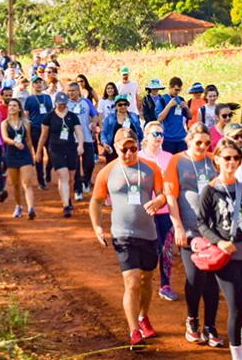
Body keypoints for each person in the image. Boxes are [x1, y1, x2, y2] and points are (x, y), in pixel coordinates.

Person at [90, 128, 167, 350]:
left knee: (146, 280)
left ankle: (144, 317)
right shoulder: (107, 172)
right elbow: (95, 201)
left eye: (133, 148)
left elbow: (162, 194)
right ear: (116, 148)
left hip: (148, 233)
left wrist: (158, 202)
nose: (130, 153)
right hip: (122, 234)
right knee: (132, 281)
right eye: (125, 149)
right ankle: (134, 330)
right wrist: (97, 226)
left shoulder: (151, 168)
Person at [197, 138, 242, 360]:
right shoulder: (210, 191)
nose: (232, 162)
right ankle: (237, 356)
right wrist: (219, 241)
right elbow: (202, 224)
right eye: (227, 158)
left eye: (236, 158)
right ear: (217, 160)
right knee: (236, 307)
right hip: (226, 256)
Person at [164, 123, 223, 347]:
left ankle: (210, 325)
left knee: (212, 279)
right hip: (189, 228)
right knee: (195, 276)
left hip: (213, 230)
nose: (203, 146)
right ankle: (192, 319)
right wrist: (177, 226)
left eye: (207, 143)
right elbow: (170, 196)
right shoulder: (177, 160)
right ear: (189, 141)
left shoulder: (213, 160)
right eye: (198, 142)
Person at [139, 121, 179, 302]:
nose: (159, 137)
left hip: (165, 209)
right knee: (149, 249)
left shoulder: (169, 157)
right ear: (146, 136)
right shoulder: (137, 157)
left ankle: (165, 284)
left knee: (166, 248)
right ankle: (141, 281)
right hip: (144, 211)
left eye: (161, 134)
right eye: (155, 134)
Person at [37, 91, 83, 218]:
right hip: (55, 149)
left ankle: (68, 198)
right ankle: (66, 206)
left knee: (71, 178)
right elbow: (44, 135)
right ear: (55, 103)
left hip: (70, 148)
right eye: (59, 103)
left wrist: (80, 145)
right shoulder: (49, 117)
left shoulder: (72, 116)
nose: (62, 106)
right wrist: (39, 151)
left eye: (64, 103)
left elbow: (79, 131)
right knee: (63, 176)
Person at [1, 98, 37, 220]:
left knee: (27, 182)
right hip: (11, 154)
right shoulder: (4, 123)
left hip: (24, 154)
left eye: (14, 105)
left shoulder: (26, 123)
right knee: (16, 184)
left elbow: (28, 139)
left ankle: (31, 208)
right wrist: (14, 143)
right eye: (10, 105)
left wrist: (31, 154)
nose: (12, 107)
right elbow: (5, 138)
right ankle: (18, 206)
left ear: (19, 108)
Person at [67, 81, 98, 200]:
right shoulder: (66, 104)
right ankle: (77, 189)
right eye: (69, 91)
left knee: (89, 163)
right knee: (75, 165)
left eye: (73, 91)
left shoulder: (86, 102)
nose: (71, 93)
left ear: (78, 91)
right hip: (72, 140)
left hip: (87, 138)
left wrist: (94, 123)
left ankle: (86, 180)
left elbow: (94, 114)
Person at [24, 76, 54, 190]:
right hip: (36, 129)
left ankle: (48, 170)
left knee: (52, 153)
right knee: (38, 154)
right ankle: (41, 181)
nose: (38, 84)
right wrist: (28, 133)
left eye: (40, 82)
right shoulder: (30, 99)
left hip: (48, 129)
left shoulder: (47, 97)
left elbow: (51, 112)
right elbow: (26, 116)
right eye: (36, 83)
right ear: (33, 85)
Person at [100, 94, 143, 164]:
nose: (123, 106)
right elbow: (103, 132)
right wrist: (104, 143)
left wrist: (142, 143)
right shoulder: (109, 118)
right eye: (120, 105)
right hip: (114, 150)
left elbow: (139, 132)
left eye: (125, 104)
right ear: (116, 106)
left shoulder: (134, 116)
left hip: (130, 150)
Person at [157, 77, 192, 153]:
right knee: (169, 163)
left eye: (179, 90)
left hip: (181, 138)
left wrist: (186, 108)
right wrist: (169, 106)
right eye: (176, 90)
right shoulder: (162, 100)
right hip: (168, 138)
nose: (177, 92)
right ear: (170, 87)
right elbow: (159, 119)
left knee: (182, 163)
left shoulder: (181, 99)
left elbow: (190, 116)